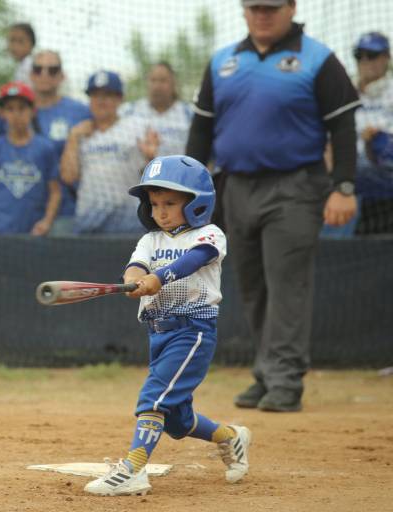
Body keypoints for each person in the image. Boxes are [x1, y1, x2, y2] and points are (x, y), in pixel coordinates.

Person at [186, 0, 360, 412]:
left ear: (291, 7)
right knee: (251, 284)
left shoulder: (318, 59)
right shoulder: (222, 61)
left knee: (286, 283)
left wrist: (345, 187)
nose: (262, 14)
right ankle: (267, 372)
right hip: (235, 186)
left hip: (296, 186)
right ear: (244, 10)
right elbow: (201, 130)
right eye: (254, 7)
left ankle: (284, 380)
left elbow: (343, 126)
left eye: (271, 7)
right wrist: (188, 189)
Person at [84, 155, 251, 496]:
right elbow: (135, 266)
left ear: (197, 204)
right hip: (158, 332)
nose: (160, 211)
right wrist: (134, 281)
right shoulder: (150, 240)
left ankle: (133, 468)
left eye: (170, 203)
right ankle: (232, 437)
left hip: (193, 330)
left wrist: (158, 278)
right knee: (176, 418)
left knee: (154, 399)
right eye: (155, 203)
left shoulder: (210, 234)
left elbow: (194, 261)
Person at [0, 50, 91, 235]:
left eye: (52, 70)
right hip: (17, 213)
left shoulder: (79, 111)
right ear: (30, 74)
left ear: (62, 76)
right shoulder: (12, 109)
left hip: (64, 209)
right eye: (38, 69)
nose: (44, 74)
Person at [0, 82, 60, 235]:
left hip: (33, 231)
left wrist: (47, 221)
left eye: (22, 108)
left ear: (33, 111)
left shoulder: (45, 148)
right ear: (2, 113)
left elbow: (55, 191)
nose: (16, 115)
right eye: (10, 109)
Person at [60, 71, 146, 234]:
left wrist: (150, 157)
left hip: (128, 220)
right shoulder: (80, 132)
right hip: (89, 219)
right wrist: (73, 138)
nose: (100, 101)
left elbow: (150, 175)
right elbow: (68, 177)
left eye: (107, 95)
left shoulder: (136, 127)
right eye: (95, 95)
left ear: (119, 98)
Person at [352, 32, 393, 235]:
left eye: (373, 55)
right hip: (350, 181)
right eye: (360, 55)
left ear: (386, 57)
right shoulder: (346, 93)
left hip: (384, 179)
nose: (366, 61)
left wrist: (380, 137)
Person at [120, 62, 193, 161]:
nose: (157, 86)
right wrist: (90, 116)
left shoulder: (189, 113)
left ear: (173, 83)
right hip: (140, 175)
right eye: (153, 80)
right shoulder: (130, 110)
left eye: (163, 81)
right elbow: (101, 111)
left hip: (181, 174)